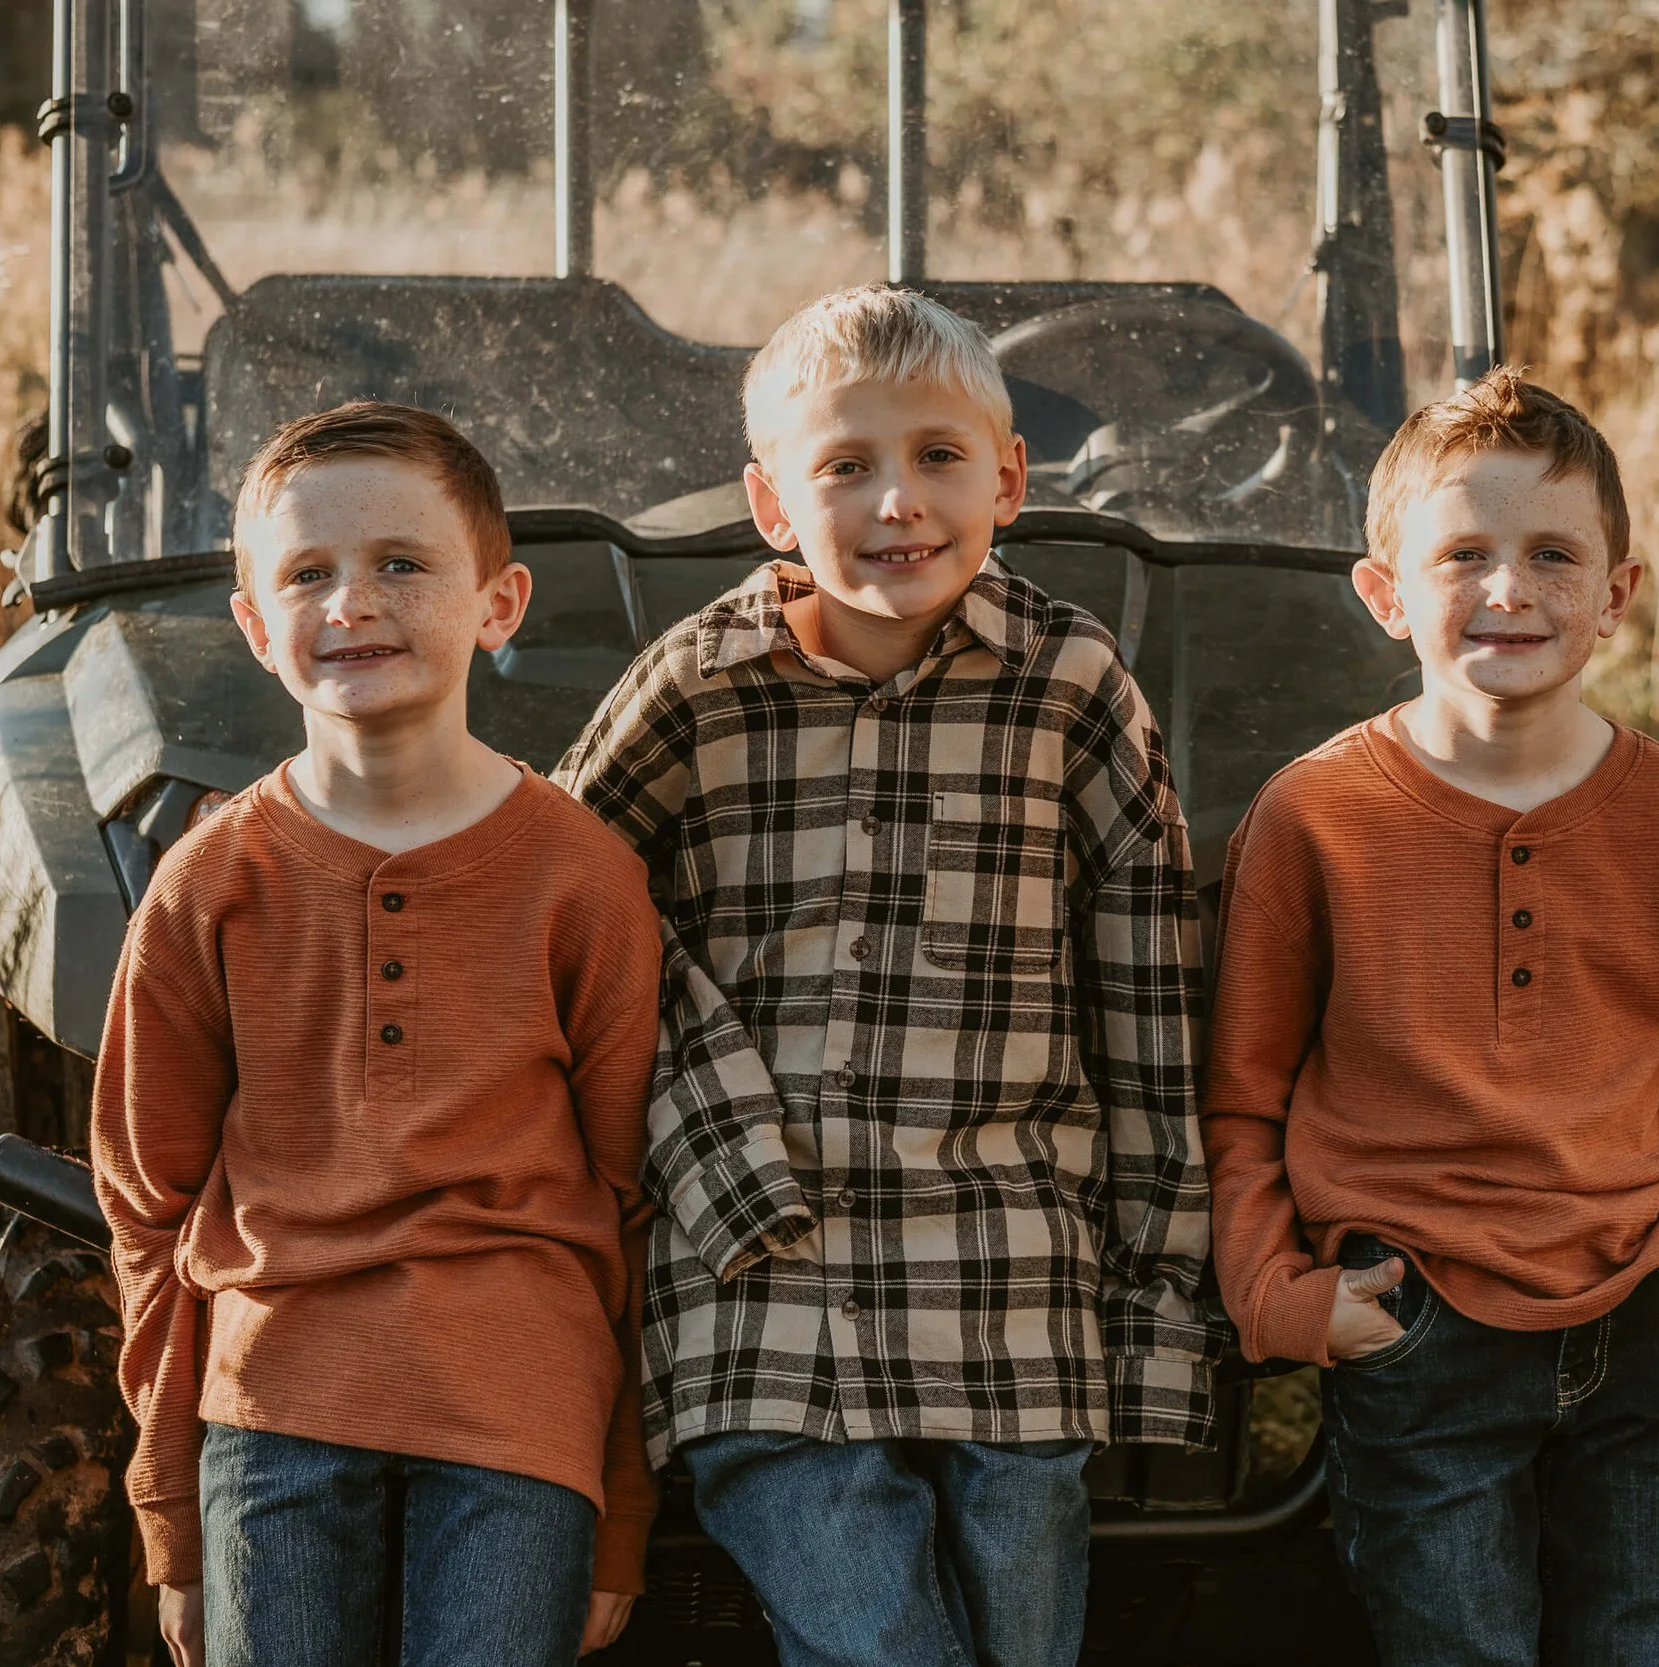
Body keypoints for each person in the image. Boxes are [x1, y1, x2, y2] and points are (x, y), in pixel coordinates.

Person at [556, 284, 1224, 1667]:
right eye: (844, 465)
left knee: (1024, 1591)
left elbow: (1146, 986)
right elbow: (561, 899)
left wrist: (1157, 1285)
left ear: (1010, 477)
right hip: (765, 1246)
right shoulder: (697, 683)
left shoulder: (1072, 684)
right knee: (878, 1626)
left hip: (1009, 1227)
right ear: (772, 502)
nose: (897, 501)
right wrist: (715, 1139)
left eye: (936, 455)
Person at [1201, 366, 1659, 1665]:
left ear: (1615, 595)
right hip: (1418, 1307)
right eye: (1464, 554)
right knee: (1460, 1638)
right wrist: (1275, 1285)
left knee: (1644, 1631)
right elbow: (1246, 1088)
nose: (1508, 588)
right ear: (1386, 593)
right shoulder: (1315, 817)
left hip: (1646, 1305)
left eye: (1552, 553)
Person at [92, 401, 658, 1667]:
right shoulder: (208, 885)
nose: (352, 602)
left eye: (402, 563)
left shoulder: (583, 880)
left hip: (522, 1405)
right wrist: (170, 1505)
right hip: (277, 1397)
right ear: (254, 626)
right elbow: (147, 1205)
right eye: (308, 573)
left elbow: (626, 1206)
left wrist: (619, 1508)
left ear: (497, 603)